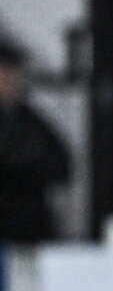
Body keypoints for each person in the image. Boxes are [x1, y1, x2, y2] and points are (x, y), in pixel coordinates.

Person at [0, 40, 71, 244]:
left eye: (13, 77)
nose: (9, 84)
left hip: (29, 228)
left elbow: (62, 165)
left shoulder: (31, 121)